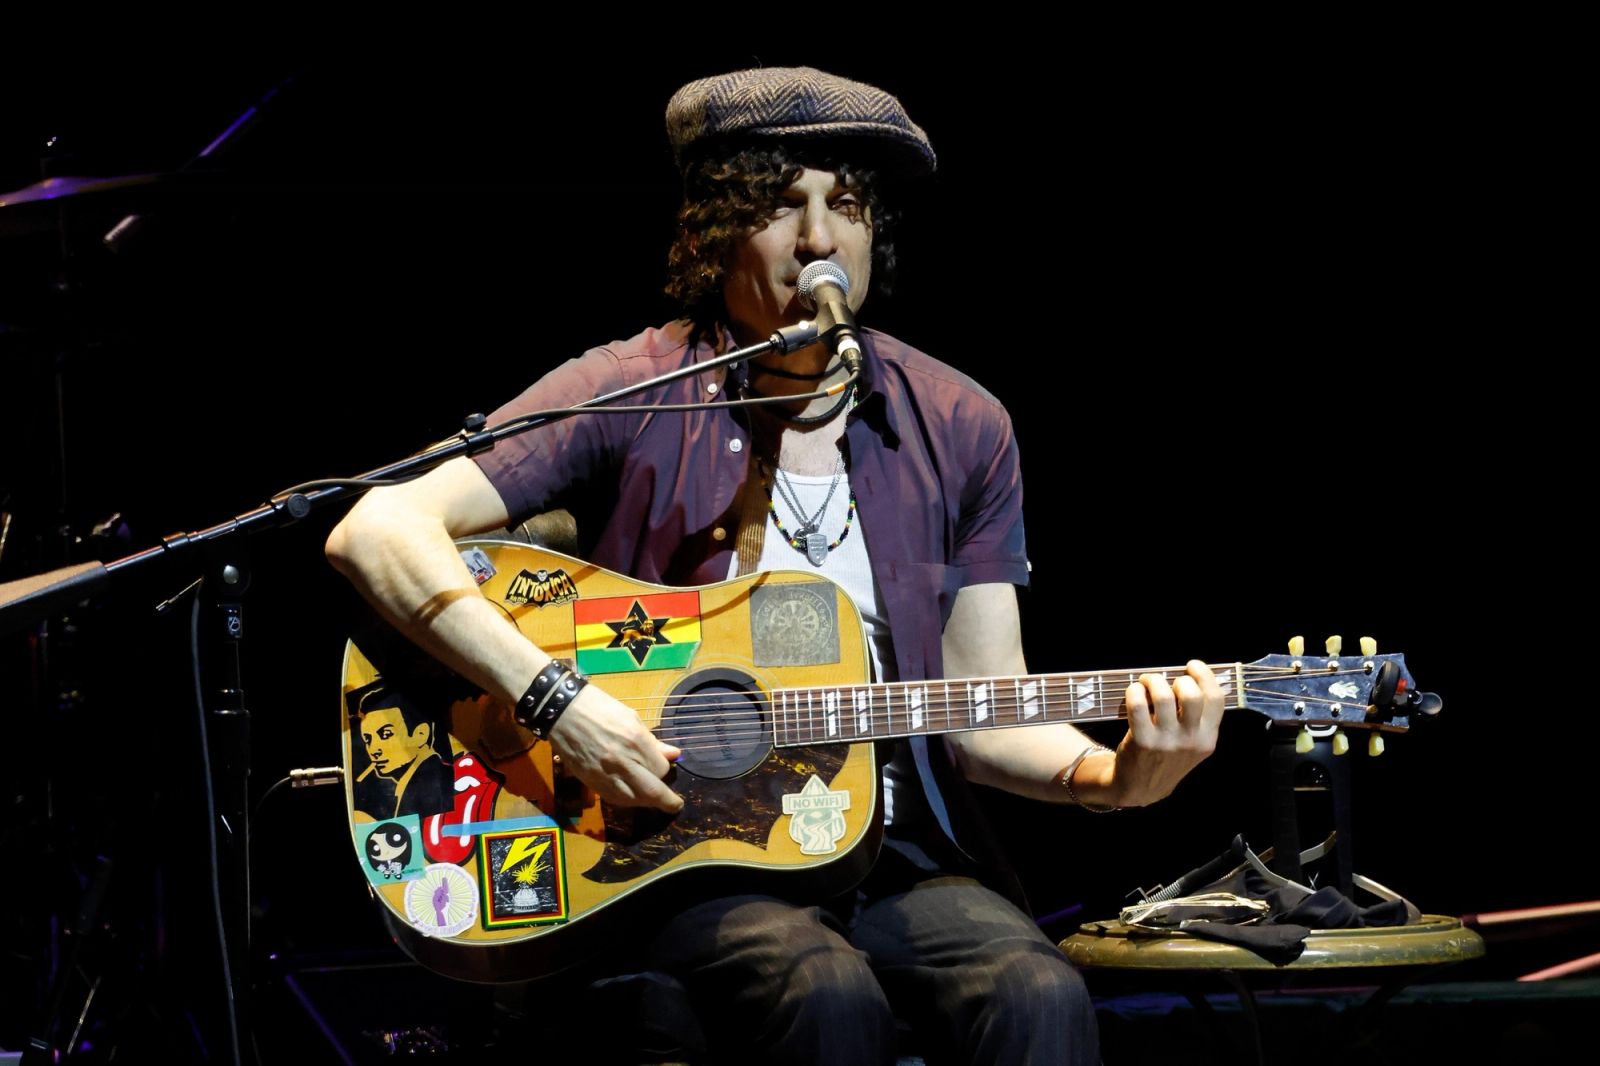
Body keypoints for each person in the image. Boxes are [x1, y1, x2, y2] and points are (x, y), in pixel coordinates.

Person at [326, 66, 1224, 1065]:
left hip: (892, 852)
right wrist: (555, 701)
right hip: (670, 851)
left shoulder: (960, 424)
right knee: (821, 993)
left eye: (845, 205)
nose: (817, 239)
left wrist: (1117, 776)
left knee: (1038, 991)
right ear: (717, 233)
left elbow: (984, 709)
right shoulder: (635, 389)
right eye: (779, 205)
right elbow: (377, 531)